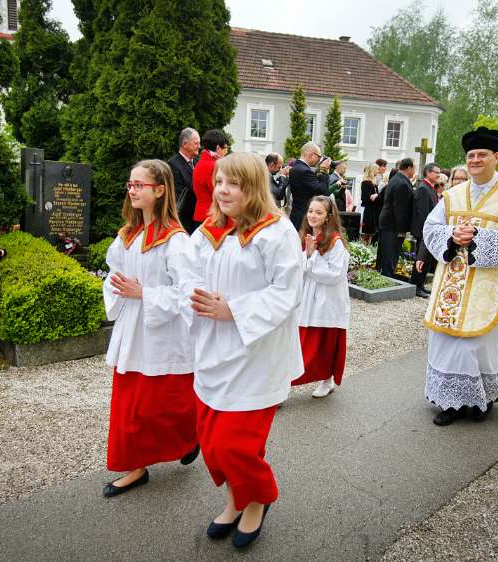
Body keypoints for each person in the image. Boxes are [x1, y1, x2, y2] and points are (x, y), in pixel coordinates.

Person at [190, 152, 303, 549]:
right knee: (210, 443)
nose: (222, 190)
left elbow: (286, 293)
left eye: (232, 183)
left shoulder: (276, 233)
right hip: (211, 352)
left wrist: (233, 310)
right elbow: (185, 277)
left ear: (252, 187)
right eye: (219, 181)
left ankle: (260, 498)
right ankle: (236, 498)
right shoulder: (207, 232)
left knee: (234, 445)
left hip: (255, 355)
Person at [422, 127, 498, 426]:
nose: (475, 160)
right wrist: (451, 235)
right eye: (471, 155)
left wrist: (477, 239)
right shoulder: (451, 196)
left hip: (486, 285)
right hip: (450, 283)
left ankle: (481, 398)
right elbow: (430, 228)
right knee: (447, 344)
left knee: (478, 346)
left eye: (482, 155)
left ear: (495, 157)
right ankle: (450, 402)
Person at [101, 159, 202, 497]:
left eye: (139, 185)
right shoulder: (127, 235)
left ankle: (190, 438)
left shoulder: (175, 241)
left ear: (160, 191)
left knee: (165, 402)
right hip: (133, 330)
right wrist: (118, 286)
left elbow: (189, 291)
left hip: (162, 332)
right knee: (130, 404)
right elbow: (113, 271)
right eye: (130, 184)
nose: (132, 190)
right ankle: (136, 466)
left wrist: (144, 293)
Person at [294, 195, 350, 398]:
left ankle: (327, 380)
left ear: (328, 217)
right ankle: (284, 384)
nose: (312, 215)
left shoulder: (335, 242)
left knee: (325, 346)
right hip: (307, 300)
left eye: (318, 212)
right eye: (310, 211)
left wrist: (311, 258)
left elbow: (334, 275)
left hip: (326, 303)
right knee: (301, 347)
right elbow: (298, 268)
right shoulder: (305, 237)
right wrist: (307, 256)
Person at [377, 157, 414, 278]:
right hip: (392, 225)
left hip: (387, 222)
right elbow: (400, 209)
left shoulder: (396, 178)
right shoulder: (402, 183)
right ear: (409, 168)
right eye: (414, 168)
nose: (414, 171)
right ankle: (387, 279)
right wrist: (401, 230)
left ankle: (383, 276)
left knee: (385, 254)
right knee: (390, 254)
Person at [411, 162, 441, 297]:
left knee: (426, 259)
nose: (438, 174)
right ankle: (416, 285)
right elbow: (423, 213)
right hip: (424, 231)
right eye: (436, 172)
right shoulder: (423, 188)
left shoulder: (431, 188)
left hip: (429, 231)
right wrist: (427, 231)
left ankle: (421, 284)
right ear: (428, 172)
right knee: (421, 258)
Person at [288, 142, 330, 229]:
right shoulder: (305, 171)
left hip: (297, 214)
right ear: (311, 155)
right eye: (319, 157)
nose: (319, 160)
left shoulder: (296, 167)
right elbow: (323, 192)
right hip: (303, 218)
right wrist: (324, 170)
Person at [192, 129, 229, 225]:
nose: (226, 151)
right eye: (225, 147)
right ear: (218, 148)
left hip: (202, 213)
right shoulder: (212, 165)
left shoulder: (203, 162)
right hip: (210, 215)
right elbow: (218, 192)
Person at [167, 127, 200, 233]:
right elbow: (177, 196)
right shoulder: (173, 164)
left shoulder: (198, 162)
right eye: (196, 143)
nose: (199, 146)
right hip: (184, 219)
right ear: (185, 144)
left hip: (197, 218)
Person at [359, 164, 381, 244]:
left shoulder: (374, 183)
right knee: (366, 232)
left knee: (371, 232)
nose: (378, 171)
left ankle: (368, 246)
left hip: (373, 210)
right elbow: (367, 198)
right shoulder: (366, 183)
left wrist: (376, 196)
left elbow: (377, 198)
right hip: (368, 211)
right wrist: (375, 196)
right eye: (376, 169)